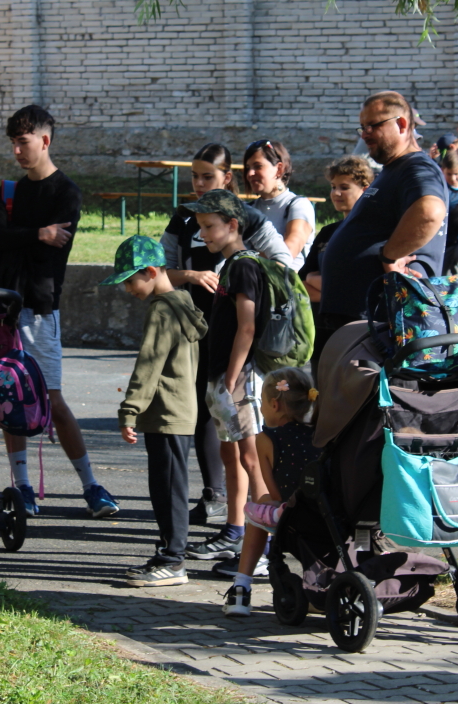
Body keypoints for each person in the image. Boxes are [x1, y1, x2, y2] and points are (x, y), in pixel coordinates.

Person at [0, 104, 120, 519]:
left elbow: (49, 250)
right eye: (12, 143)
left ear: (44, 140)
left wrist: (23, 238)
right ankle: (22, 486)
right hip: (2, 309)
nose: (16, 151)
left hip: (41, 311)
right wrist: (37, 234)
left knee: (52, 399)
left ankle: (91, 485)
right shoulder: (9, 190)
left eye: (23, 142)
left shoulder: (67, 192)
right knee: (9, 399)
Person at [161, 143, 291, 527]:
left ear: (226, 178)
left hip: (238, 360)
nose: (199, 184)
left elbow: (281, 270)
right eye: (194, 176)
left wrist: (233, 373)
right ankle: (231, 519)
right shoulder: (184, 221)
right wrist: (190, 276)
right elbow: (161, 272)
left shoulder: (244, 250)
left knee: (249, 455)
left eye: (208, 176)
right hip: (203, 340)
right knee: (223, 441)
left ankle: (264, 531)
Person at [102, 236, 208, 587]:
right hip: (177, 410)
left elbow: (148, 366)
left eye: (130, 281)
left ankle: (173, 561)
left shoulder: (162, 310)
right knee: (167, 487)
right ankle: (168, 554)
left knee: (168, 489)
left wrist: (129, 411)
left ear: (150, 272)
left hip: (167, 413)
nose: (127, 289)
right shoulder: (183, 302)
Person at [319, 90, 448, 361]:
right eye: (362, 127)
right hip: (355, 319)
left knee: (365, 389)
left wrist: (389, 255)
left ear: (401, 124)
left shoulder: (416, 167)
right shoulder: (393, 169)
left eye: (373, 126)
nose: (364, 134)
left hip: (377, 323)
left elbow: (430, 211)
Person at [183, 190, 270, 570]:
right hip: (224, 376)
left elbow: (247, 328)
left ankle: (265, 548)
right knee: (231, 454)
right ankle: (235, 532)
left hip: (240, 378)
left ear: (232, 225)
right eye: (200, 226)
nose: (202, 234)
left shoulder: (245, 266)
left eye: (208, 226)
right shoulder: (231, 265)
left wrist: (232, 377)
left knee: (252, 459)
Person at [222, 366, 321, 617]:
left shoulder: (267, 439)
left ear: (274, 405)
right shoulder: (321, 434)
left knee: (257, 509)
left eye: (262, 403)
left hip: (295, 520)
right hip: (328, 516)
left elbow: (275, 495)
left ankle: (241, 588)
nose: (262, 409)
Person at [299, 155, 374, 360]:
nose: (336, 193)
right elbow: (301, 283)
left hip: (357, 332)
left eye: (344, 187)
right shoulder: (327, 233)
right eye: (333, 187)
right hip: (321, 329)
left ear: (365, 190)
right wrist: (333, 292)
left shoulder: (372, 235)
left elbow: (357, 291)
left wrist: (317, 281)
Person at [242, 139, 315, 271]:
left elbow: (287, 254)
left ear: (279, 169)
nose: (250, 174)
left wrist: (248, 257)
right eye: (248, 168)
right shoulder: (248, 209)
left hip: (285, 282)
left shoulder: (298, 205)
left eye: (258, 166)